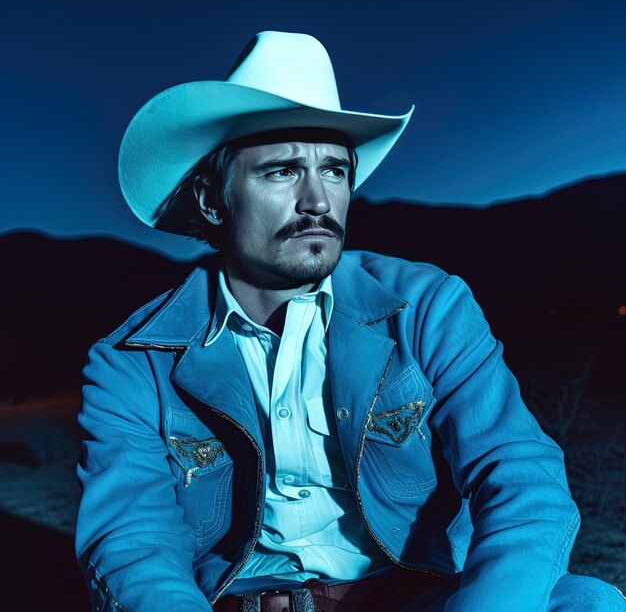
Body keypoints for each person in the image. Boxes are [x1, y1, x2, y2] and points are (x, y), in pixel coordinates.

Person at [75, 31, 625, 612]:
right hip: (242, 605)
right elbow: (133, 548)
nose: (318, 199)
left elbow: (521, 477)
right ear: (213, 200)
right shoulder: (132, 361)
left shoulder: (428, 305)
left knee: (586, 601)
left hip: (422, 599)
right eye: (283, 171)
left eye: (335, 170)